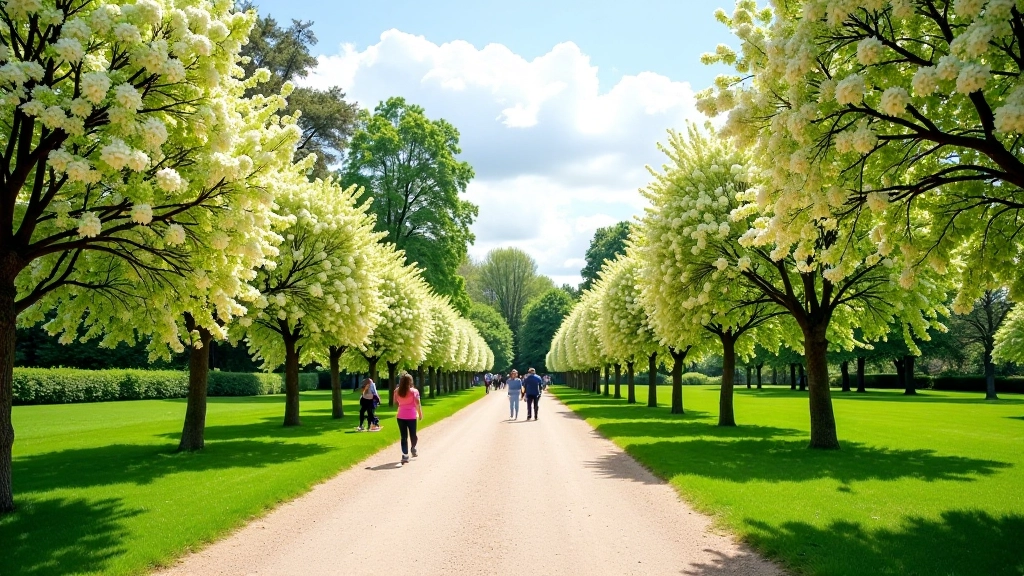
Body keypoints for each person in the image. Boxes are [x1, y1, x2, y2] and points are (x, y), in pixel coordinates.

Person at [395, 373, 423, 464]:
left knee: (403, 437)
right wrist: (420, 414)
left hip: (400, 416)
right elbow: (418, 404)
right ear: (410, 381)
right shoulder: (414, 391)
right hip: (411, 416)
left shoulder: (396, 391)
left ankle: (405, 455)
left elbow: (396, 402)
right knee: (413, 434)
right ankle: (413, 448)